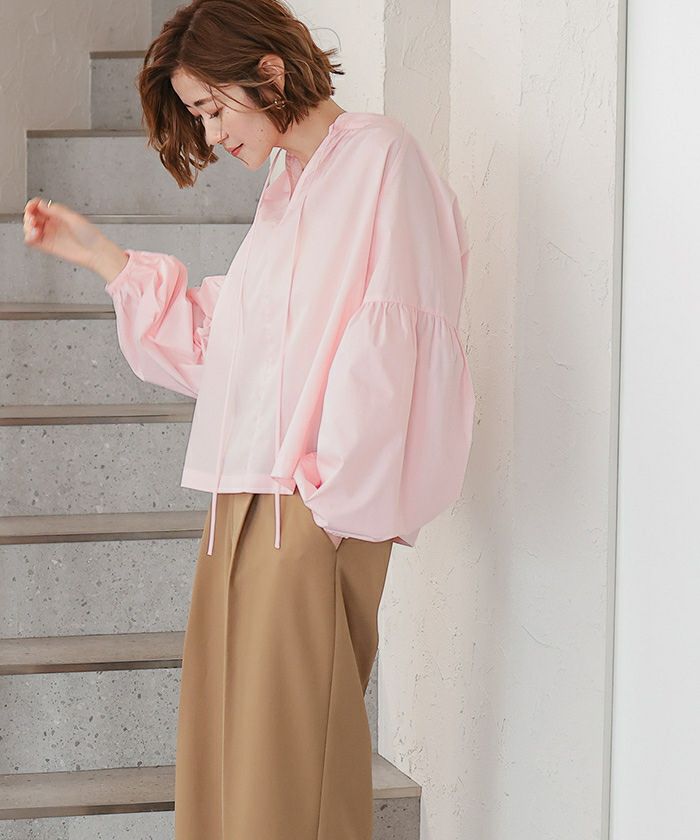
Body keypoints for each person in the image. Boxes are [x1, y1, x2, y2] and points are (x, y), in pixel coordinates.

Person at [22, 1, 476, 837]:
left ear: (267, 70)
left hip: (311, 510)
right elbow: (234, 348)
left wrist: (325, 507)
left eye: (212, 108)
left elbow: (398, 348)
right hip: (241, 506)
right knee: (227, 771)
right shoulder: (287, 187)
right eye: (197, 116)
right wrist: (100, 256)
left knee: (290, 780)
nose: (212, 133)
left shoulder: (382, 158)